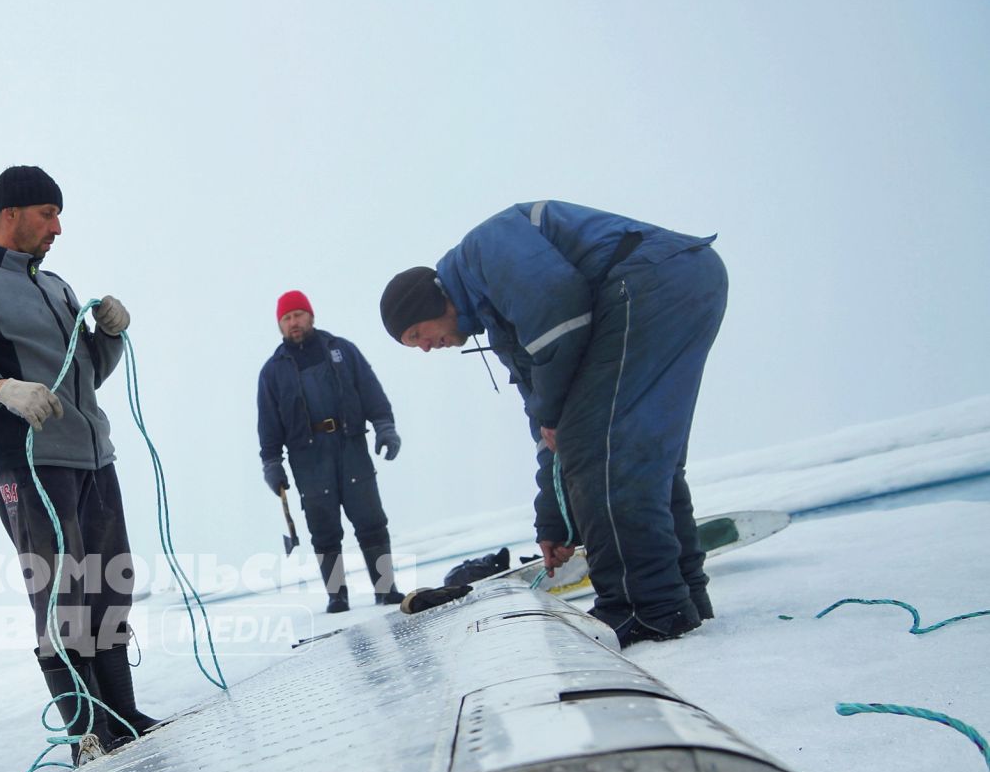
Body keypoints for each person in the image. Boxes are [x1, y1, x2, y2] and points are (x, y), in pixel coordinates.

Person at [381, 201, 728, 646]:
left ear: (430, 303)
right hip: (684, 281)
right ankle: (683, 598)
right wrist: (554, 525)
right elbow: (547, 432)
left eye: (416, 336)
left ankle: (645, 608)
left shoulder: (483, 251)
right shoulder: (501, 318)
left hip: (650, 281)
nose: (426, 348)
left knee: (598, 448)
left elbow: (561, 314)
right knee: (644, 452)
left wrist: (556, 417)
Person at [0, 165, 159, 750]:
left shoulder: (57, 286)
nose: (58, 227)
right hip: (27, 463)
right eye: (47, 214)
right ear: (10, 216)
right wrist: (2, 389)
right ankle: (87, 734)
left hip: (92, 457)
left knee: (110, 585)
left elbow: (86, 379)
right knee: (62, 594)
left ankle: (121, 718)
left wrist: (108, 334)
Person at [256, 290, 405, 611]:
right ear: (279, 326)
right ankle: (337, 597)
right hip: (307, 457)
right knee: (323, 530)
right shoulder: (272, 371)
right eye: (286, 318)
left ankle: (386, 588)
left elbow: (370, 391)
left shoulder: (342, 351)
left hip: (350, 445)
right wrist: (271, 464)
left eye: (298, 314)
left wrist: (385, 427)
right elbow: (268, 424)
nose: (293, 322)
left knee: (371, 520)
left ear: (311, 315)